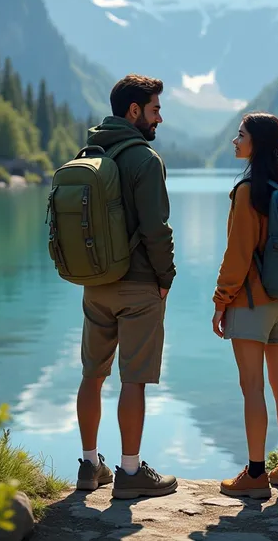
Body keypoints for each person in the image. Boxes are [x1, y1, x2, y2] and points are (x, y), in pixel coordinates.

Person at [76, 74, 178, 500]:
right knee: (132, 379)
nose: (159, 117)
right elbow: (156, 229)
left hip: (95, 283)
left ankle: (89, 465)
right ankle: (131, 472)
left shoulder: (90, 152)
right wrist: (165, 279)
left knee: (92, 375)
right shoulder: (144, 159)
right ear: (134, 111)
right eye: (154, 109)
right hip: (137, 286)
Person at [212, 112, 278, 499]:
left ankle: (254, 475)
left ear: (257, 143)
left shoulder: (249, 191)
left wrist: (221, 301)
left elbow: (238, 255)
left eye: (241, 135)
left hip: (252, 303)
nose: (235, 141)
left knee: (252, 388)